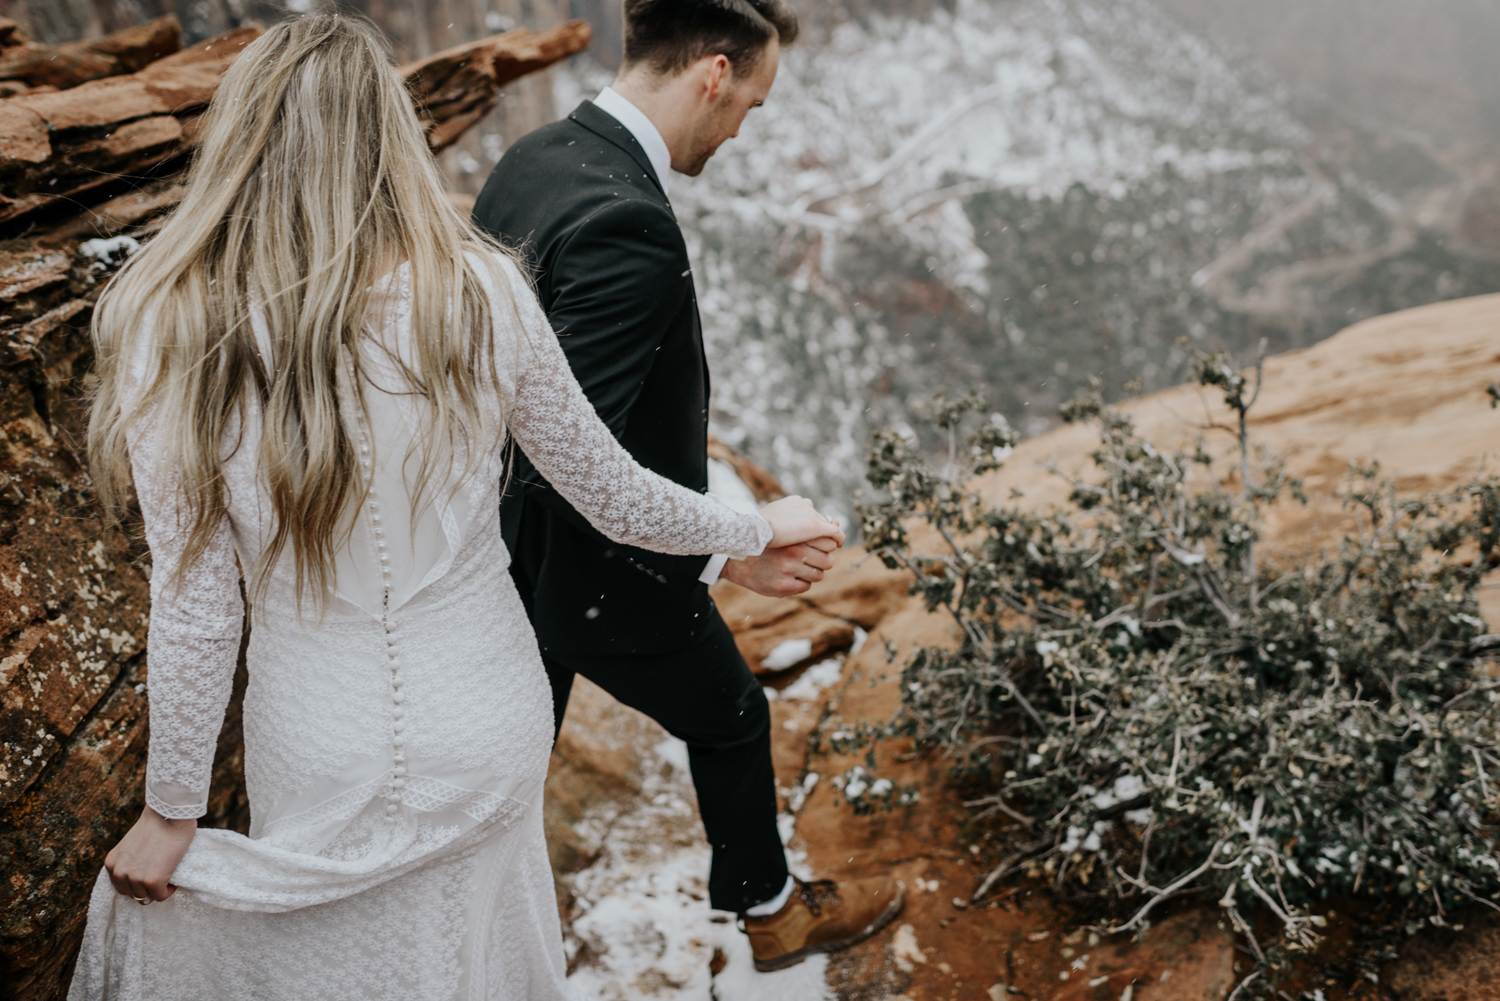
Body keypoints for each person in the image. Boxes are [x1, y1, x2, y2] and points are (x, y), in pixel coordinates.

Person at [70, 15, 841, 1001]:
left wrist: (173, 808)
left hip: (317, 731)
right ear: (393, 137)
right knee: (484, 959)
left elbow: (196, 598)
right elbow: (607, 490)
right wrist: (753, 531)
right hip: (486, 716)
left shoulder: (169, 322)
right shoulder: (478, 294)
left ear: (242, 138)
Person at [472, 0, 904, 972]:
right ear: (713, 74)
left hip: (506, 550)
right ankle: (772, 911)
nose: (746, 124)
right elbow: (573, 452)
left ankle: (479, 941)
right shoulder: (630, 221)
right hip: (600, 563)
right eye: (751, 100)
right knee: (734, 714)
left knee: (509, 770)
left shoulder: (531, 157)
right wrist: (732, 540)